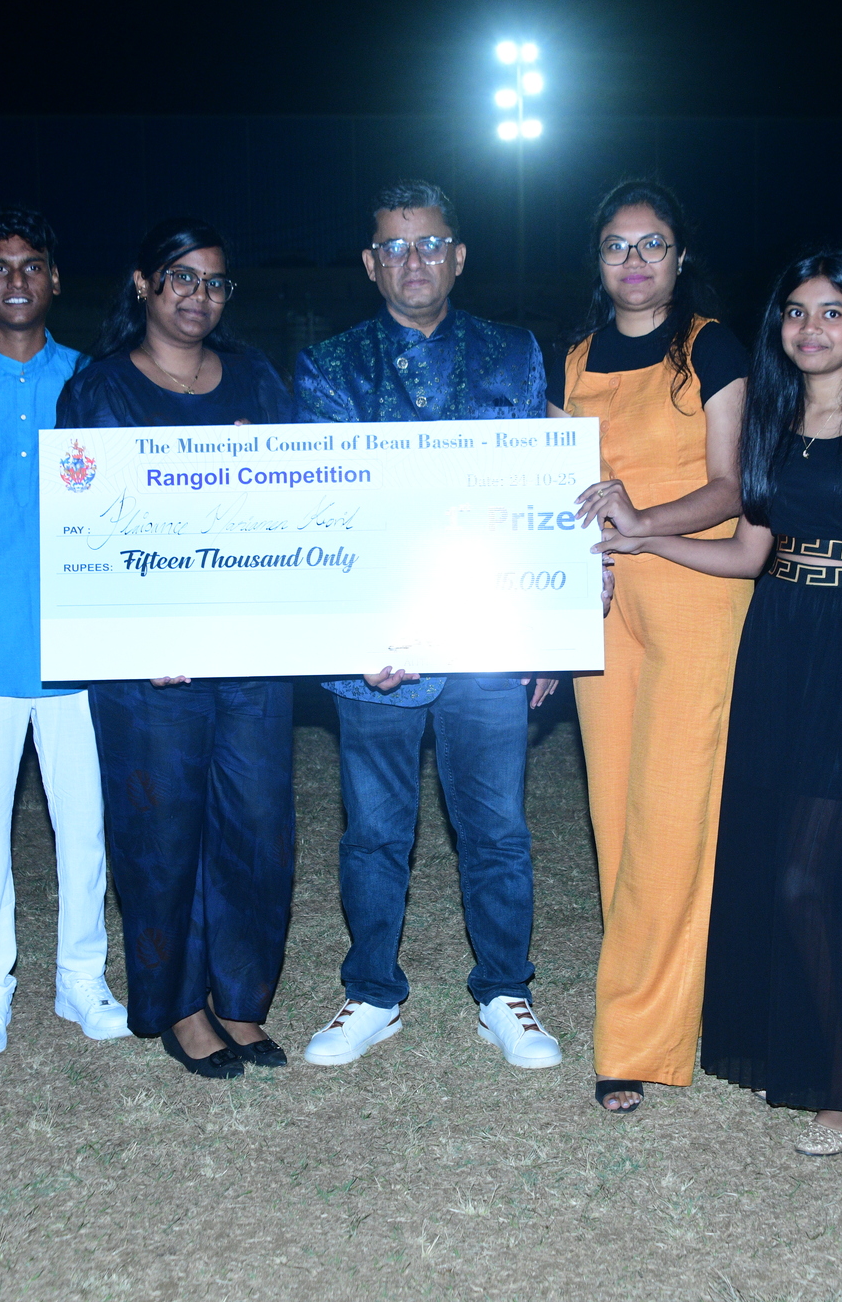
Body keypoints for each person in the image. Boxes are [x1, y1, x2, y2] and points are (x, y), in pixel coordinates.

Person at [596, 249, 842, 1157]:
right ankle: (777, 1046)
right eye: (796, 311)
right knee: (763, 861)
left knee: (811, 878)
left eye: (833, 312)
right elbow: (748, 554)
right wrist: (644, 539)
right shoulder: (773, 428)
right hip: (774, 649)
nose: (811, 327)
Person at [292, 179, 564, 1071]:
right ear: (371, 264)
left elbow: (537, 492)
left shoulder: (515, 353)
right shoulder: (329, 365)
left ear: (459, 255)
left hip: (487, 641)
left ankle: (505, 991)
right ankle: (373, 993)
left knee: (498, 830)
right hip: (376, 656)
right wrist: (368, 636)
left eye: (431, 243)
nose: (415, 260)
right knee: (375, 832)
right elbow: (330, 513)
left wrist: (548, 629)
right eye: (396, 247)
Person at [58, 218, 295, 1079]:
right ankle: (181, 1006)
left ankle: (240, 999)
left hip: (250, 647)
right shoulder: (98, 392)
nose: (200, 296)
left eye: (215, 282)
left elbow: (305, 499)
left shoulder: (258, 378)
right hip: (150, 664)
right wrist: (132, 633)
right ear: (144, 284)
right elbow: (81, 531)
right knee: (161, 832)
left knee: (258, 825)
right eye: (182, 277)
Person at [544, 179, 752, 1114]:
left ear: (680, 256)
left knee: (673, 815)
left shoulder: (711, 346)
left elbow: (732, 486)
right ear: (598, 260)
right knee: (615, 814)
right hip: (604, 602)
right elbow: (560, 489)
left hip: (695, 591)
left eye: (652, 244)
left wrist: (642, 522)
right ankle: (659, 1001)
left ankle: (634, 1039)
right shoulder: (575, 358)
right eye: (616, 246)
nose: (634, 262)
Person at [0, 206, 127, 1058]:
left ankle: (82, 977)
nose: (16, 280)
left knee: (84, 828)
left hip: (78, 652)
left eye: (31, 265)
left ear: (55, 278)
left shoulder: (95, 380)